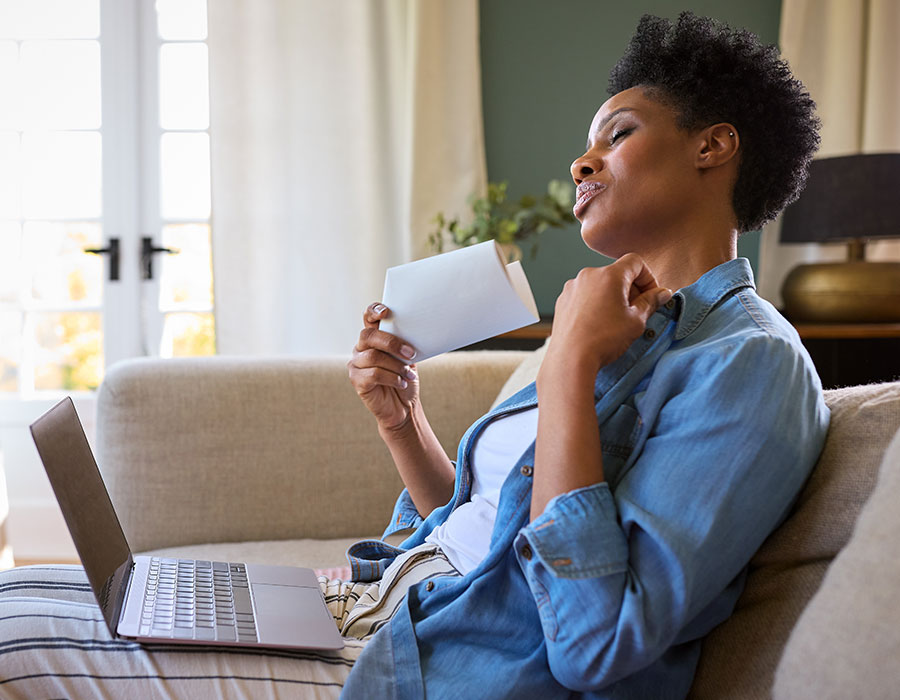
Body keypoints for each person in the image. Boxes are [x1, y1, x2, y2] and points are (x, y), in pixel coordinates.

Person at [0, 11, 828, 700]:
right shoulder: (614, 321)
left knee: (13, 648)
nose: (581, 163)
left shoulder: (750, 363)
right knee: (27, 599)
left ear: (712, 147)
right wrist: (405, 424)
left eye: (617, 134)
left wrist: (569, 361)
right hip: (376, 612)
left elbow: (593, 643)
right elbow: (483, 533)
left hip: (428, 672)